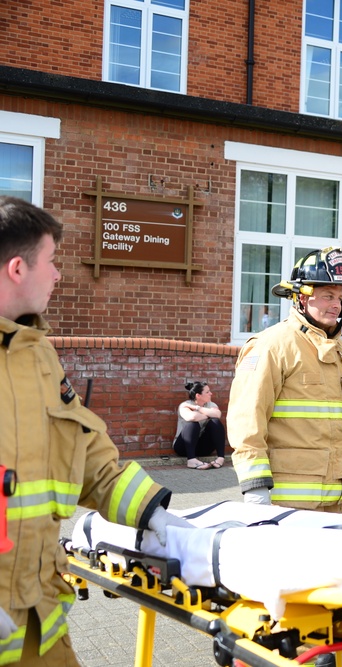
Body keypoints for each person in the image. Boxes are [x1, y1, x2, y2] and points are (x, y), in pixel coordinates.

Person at [0, 196, 190, 664]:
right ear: (19, 269)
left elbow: (85, 453)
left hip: (38, 622)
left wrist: (153, 512)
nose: (59, 275)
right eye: (52, 261)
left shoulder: (36, 355)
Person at [229, 247, 342, 511]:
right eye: (327, 296)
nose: (336, 304)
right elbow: (247, 422)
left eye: (340, 296)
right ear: (301, 297)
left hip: (339, 502)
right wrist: (255, 487)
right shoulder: (272, 346)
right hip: (288, 507)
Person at [174, 381, 228, 470]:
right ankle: (191, 460)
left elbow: (218, 415)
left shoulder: (211, 404)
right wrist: (209, 414)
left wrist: (197, 408)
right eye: (207, 392)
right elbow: (192, 417)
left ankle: (220, 458)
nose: (211, 393)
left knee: (215, 422)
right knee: (193, 424)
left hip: (203, 448)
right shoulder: (185, 405)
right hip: (183, 447)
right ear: (198, 396)